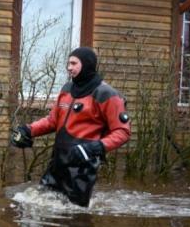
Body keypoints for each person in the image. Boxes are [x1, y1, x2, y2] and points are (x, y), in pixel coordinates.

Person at [11, 47, 131, 207]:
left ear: (87, 64)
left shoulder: (106, 94)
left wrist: (93, 148)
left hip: (82, 169)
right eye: (68, 63)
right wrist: (28, 130)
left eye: (74, 63)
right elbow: (52, 121)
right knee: (41, 209)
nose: (69, 67)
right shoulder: (67, 89)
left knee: (76, 219)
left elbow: (122, 132)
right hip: (57, 163)